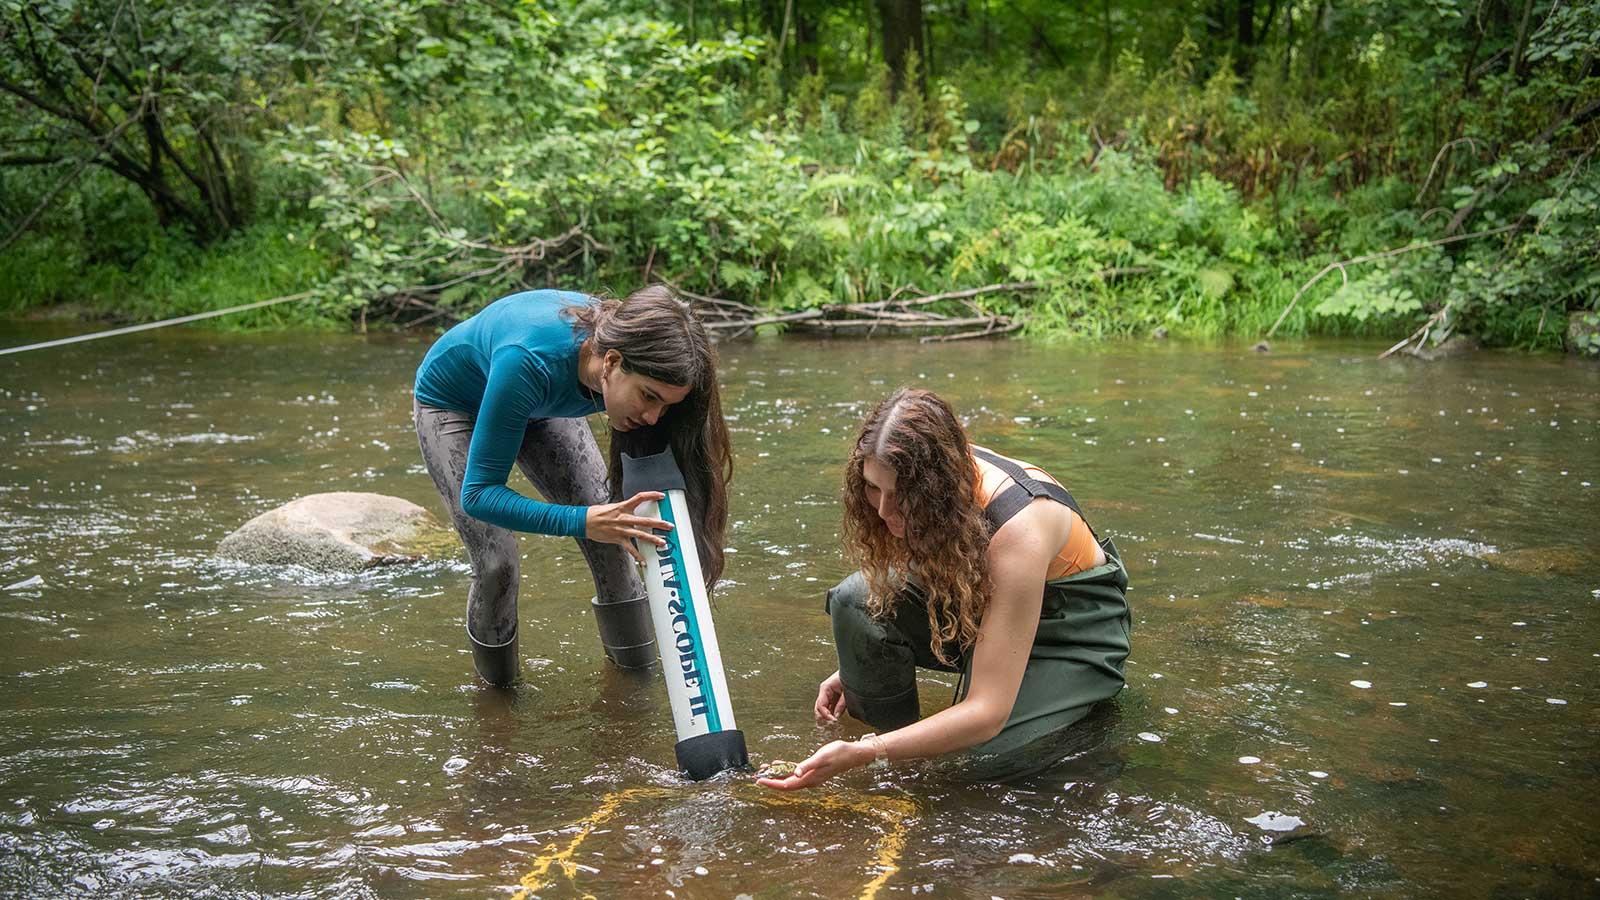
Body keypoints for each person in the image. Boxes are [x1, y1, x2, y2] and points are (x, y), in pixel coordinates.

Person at [759, 388, 1130, 788]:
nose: (882, 510)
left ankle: (891, 755)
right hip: (988, 607)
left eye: (898, 496)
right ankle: (899, 773)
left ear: (933, 489)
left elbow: (987, 711)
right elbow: (938, 581)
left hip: (1069, 633)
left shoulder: (1022, 525)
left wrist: (871, 751)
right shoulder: (940, 479)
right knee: (856, 605)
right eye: (872, 488)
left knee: (974, 767)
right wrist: (859, 662)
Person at [413, 285, 731, 687]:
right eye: (649, 398)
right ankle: (497, 700)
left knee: (617, 534)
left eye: (666, 406)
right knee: (498, 563)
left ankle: (636, 686)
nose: (654, 417)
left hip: (543, 404)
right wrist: (581, 519)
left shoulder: (632, 358)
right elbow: (478, 496)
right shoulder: (529, 360)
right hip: (455, 403)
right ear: (611, 363)